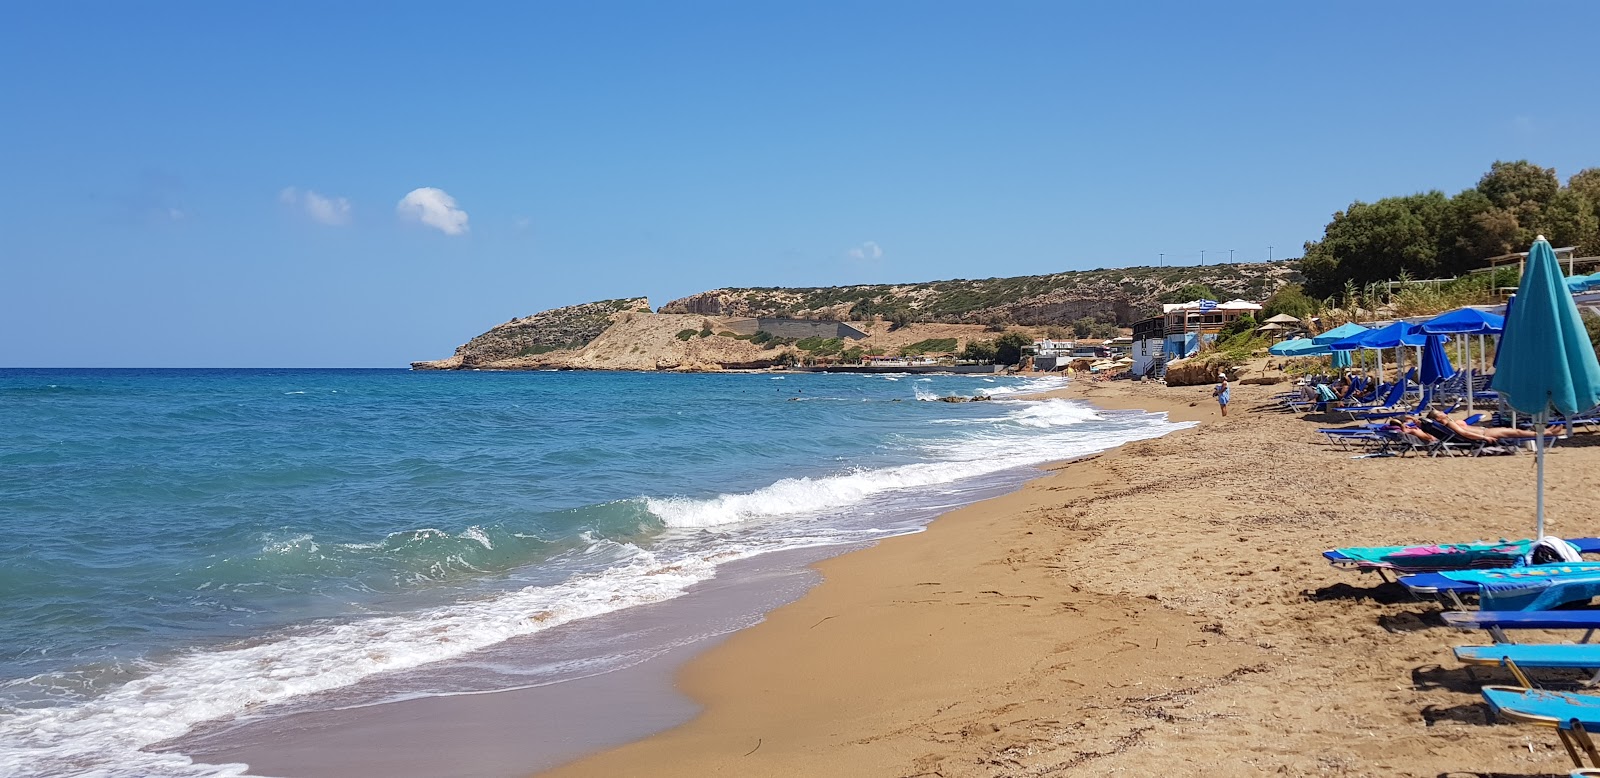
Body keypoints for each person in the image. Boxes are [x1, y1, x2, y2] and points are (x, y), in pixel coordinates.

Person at [1424, 410, 1564, 442]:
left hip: (1486, 432)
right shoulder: (1449, 423)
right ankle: (1544, 434)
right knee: (1514, 432)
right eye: (1440, 412)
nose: (1443, 412)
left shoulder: (1449, 423)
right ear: (1438, 418)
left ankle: (1545, 432)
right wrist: (1483, 438)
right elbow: (1465, 434)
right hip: (1486, 434)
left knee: (1513, 431)